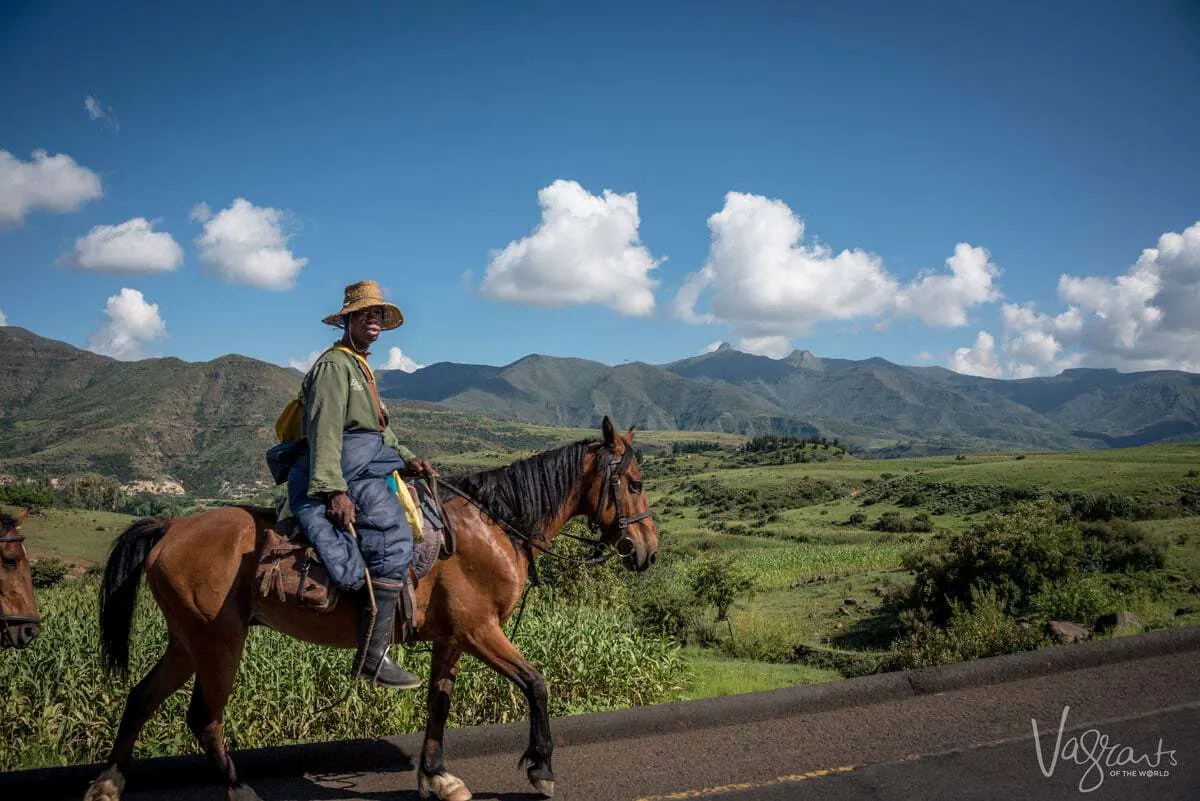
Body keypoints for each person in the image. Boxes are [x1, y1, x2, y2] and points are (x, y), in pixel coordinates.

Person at [270, 279, 437, 690]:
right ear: (347, 320)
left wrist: (409, 457)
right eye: (365, 313)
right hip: (345, 469)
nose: (374, 320)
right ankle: (372, 656)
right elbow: (325, 429)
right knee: (393, 536)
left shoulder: (362, 368)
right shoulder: (334, 366)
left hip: (368, 459)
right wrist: (333, 490)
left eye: (378, 314)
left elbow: (378, 431)